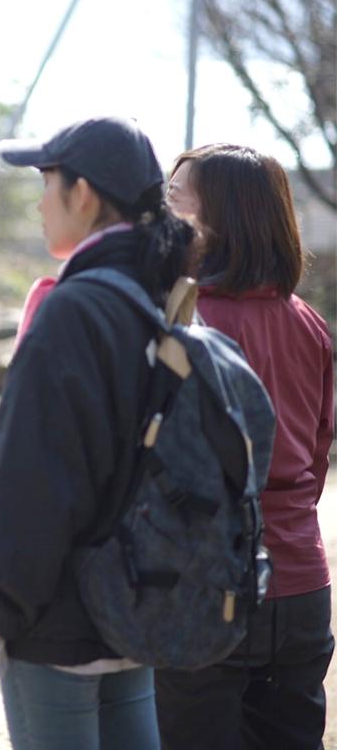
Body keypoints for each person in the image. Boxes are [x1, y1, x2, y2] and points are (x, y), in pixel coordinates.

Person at [0, 116, 195, 750]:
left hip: (57, 617)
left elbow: (32, 486)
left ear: (82, 194)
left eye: (46, 181)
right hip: (135, 608)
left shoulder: (72, 310)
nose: (38, 201)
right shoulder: (157, 300)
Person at [155, 143, 334, 750]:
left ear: (220, 221)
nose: (159, 213)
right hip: (303, 587)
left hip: (204, 588)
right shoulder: (309, 323)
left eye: (173, 199)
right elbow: (313, 459)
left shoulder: (189, 320)